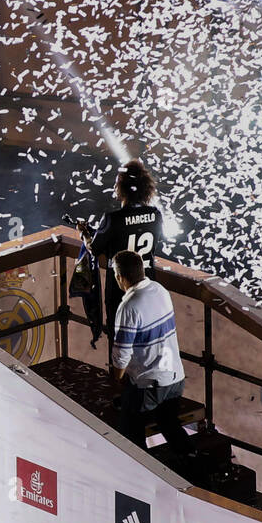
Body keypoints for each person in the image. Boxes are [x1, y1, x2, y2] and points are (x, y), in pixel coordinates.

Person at [109, 249, 193, 458]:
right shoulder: (160, 290)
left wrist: (116, 381)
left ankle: (140, 476)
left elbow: (122, 354)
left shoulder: (129, 306)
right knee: (169, 425)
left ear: (120, 277)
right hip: (175, 378)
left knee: (130, 432)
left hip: (149, 385)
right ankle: (192, 463)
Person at [81, 160, 165, 352]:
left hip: (120, 293)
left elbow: (94, 248)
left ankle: (119, 380)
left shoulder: (112, 219)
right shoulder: (156, 215)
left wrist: (85, 233)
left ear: (121, 188)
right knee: (146, 345)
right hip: (148, 288)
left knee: (120, 346)